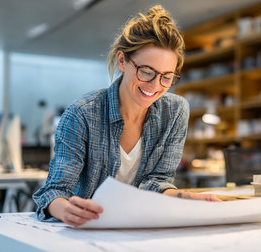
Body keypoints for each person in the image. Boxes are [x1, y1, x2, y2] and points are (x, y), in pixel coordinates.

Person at [33, 5, 221, 226]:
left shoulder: (175, 111)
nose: (155, 85)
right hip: (87, 229)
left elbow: (157, 182)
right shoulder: (82, 113)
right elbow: (54, 191)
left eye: (167, 77)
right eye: (146, 72)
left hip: (141, 228)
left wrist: (187, 197)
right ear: (122, 61)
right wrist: (67, 211)